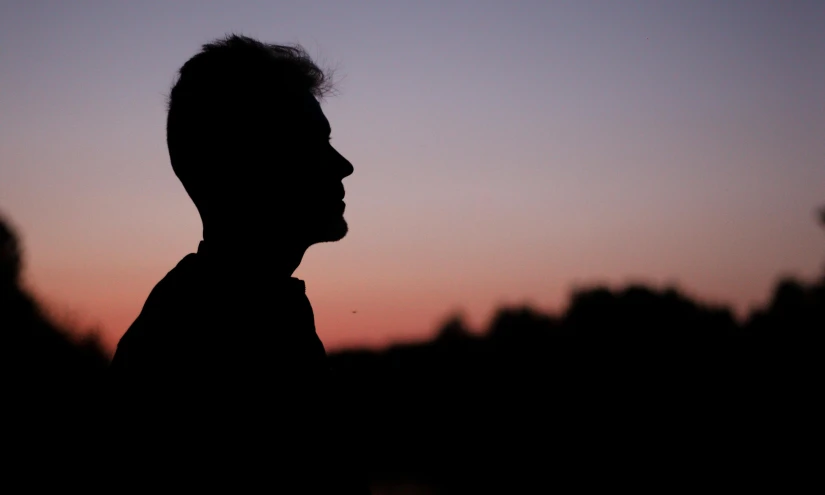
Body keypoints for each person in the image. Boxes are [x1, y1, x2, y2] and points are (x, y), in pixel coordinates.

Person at [109, 34, 366, 493]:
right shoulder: (210, 335)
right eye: (313, 143)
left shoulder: (245, 310)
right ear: (250, 161)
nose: (343, 165)